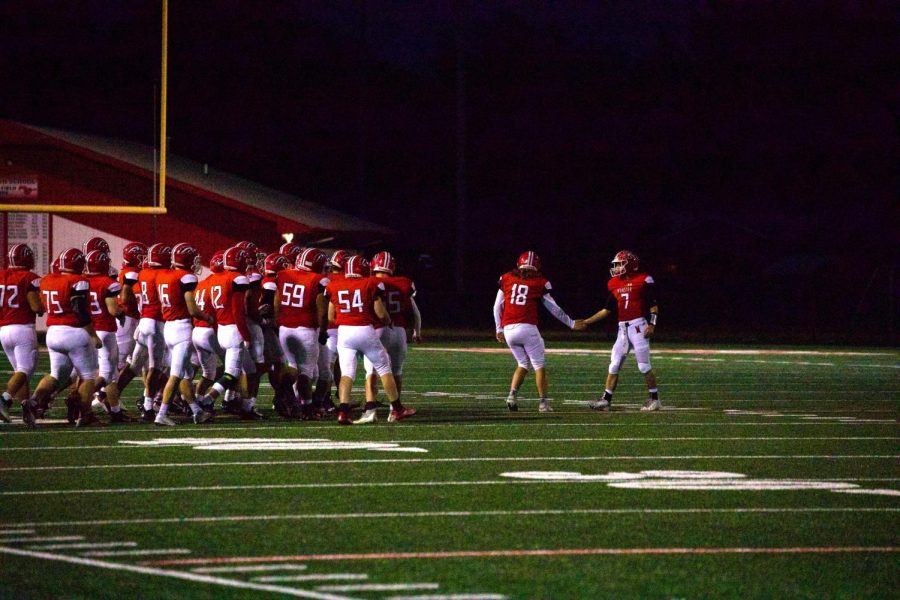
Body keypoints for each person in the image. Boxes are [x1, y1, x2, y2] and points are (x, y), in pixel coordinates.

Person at [324, 255, 416, 425]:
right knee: (383, 368)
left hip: (344, 332)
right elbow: (380, 313)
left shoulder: (334, 284)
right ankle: (397, 408)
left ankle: (343, 412)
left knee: (347, 373)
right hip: (365, 329)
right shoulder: (370, 284)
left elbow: (330, 316)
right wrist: (389, 321)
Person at [494, 251, 582, 412]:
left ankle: (512, 396)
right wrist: (570, 323)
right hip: (527, 328)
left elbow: (497, 306)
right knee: (539, 366)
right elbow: (553, 308)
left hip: (508, 330)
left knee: (522, 363)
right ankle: (543, 403)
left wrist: (498, 328)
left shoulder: (506, 278)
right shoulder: (539, 282)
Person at [28, 248, 102, 427]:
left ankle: (34, 402)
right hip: (74, 332)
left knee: (56, 375)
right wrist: (92, 334)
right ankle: (85, 415)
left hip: (52, 332)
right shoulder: (78, 281)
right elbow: (79, 309)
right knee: (87, 376)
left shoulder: (46, 280)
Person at [580, 250, 661, 411]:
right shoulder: (614, 283)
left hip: (638, 326)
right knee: (614, 364)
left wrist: (652, 324)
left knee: (644, 366)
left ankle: (655, 399)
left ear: (629, 265)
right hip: (622, 329)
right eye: (615, 265)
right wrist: (587, 321)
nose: (616, 268)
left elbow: (653, 305)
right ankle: (606, 399)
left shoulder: (643, 280)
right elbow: (607, 310)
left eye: (619, 264)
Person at [153, 242, 214, 426]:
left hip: (169, 327)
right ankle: (161, 413)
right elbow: (193, 309)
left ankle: (196, 411)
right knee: (177, 374)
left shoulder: (162, 275)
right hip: (181, 328)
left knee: (185, 374)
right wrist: (208, 318)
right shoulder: (186, 277)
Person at [362, 251, 422, 409]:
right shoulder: (404, 282)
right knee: (396, 371)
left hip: (377, 330)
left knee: (371, 372)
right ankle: (394, 409)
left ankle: (371, 409)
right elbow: (414, 311)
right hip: (398, 331)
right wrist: (417, 331)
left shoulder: (369, 282)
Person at [274, 248, 329, 418]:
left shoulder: (284, 274)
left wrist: (279, 323)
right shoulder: (317, 280)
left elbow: (276, 304)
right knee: (306, 371)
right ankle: (307, 408)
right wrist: (323, 330)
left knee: (292, 367)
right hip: (305, 329)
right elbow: (322, 311)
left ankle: (282, 394)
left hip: (285, 328)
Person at [0, 244, 44, 423]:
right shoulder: (29, 277)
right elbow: (35, 306)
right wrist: (42, 308)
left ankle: (26, 408)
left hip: (4, 330)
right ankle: (4, 399)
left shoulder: (2, 275)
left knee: (20, 371)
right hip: (22, 328)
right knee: (25, 369)